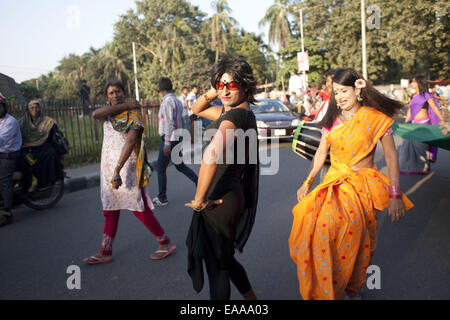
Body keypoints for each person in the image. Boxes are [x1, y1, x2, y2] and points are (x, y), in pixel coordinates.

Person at [289, 68, 414, 300]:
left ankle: (352, 287)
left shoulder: (376, 119)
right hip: (334, 186)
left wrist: (395, 195)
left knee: (358, 244)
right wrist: (307, 181)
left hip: (362, 190)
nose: (339, 97)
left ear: (358, 89)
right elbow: (320, 154)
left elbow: (391, 158)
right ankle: (326, 291)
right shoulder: (332, 119)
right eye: (336, 92)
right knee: (320, 233)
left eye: (344, 91)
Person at [185, 56, 259, 300]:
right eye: (220, 85)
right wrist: (216, 87)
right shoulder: (235, 113)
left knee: (217, 268)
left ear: (246, 86)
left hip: (218, 200)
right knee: (225, 260)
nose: (225, 90)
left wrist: (199, 199)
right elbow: (196, 109)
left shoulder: (234, 118)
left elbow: (211, 156)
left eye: (232, 84)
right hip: (229, 196)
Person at [84, 79, 176, 264]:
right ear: (107, 98)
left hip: (128, 169)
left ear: (124, 92)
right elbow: (95, 114)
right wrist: (112, 171)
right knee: (110, 209)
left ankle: (164, 242)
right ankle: (105, 250)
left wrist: (118, 170)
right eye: (111, 93)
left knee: (138, 207)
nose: (115, 95)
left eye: (118, 91)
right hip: (108, 169)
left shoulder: (133, 115)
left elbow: (131, 141)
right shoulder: (109, 114)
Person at [153, 78, 198, 207]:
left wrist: (167, 143)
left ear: (161, 90)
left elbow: (169, 123)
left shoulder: (167, 102)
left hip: (169, 139)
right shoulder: (177, 101)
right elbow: (180, 121)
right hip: (176, 137)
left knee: (161, 168)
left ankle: (162, 197)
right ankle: (200, 183)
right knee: (180, 165)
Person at [398, 76, 446, 175]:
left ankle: (424, 166)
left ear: (419, 83)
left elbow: (435, 108)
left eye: (414, 82)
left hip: (424, 124)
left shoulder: (426, 95)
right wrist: (406, 123)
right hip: (413, 124)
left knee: (421, 148)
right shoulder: (414, 96)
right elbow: (410, 111)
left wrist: (442, 120)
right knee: (406, 146)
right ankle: (413, 168)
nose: (412, 83)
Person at [18, 99, 64, 192]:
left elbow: (55, 136)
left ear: (40, 109)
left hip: (44, 146)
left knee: (50, 153)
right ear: (28, 110)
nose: (35, 110)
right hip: (27, 147)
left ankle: (53, 179)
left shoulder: (48, 122)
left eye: (37, 107)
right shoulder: (22, 122)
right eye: (32, 108)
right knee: (21, 159)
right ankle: (30, 183)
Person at [0, 96, 22, 227]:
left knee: (4, 180)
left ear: (4, 107)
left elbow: (2, 139)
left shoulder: (10, 122)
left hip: (9, 155)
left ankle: (8, 213)